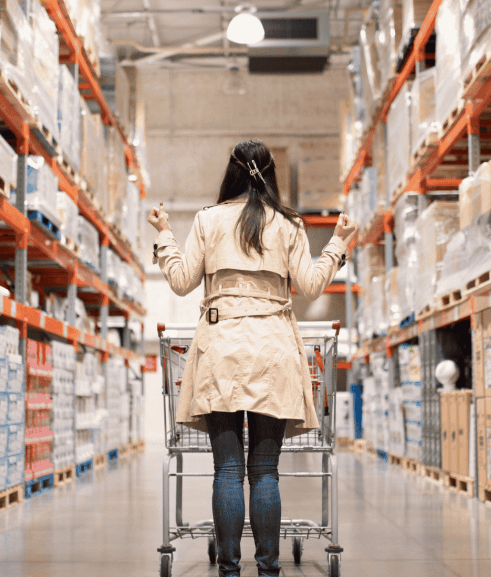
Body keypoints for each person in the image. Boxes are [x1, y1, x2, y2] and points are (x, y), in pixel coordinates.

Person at [148, 139, 358, 577]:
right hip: (273, 348)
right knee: (265, 471)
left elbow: (182, 282)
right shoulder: (289, 223)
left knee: (226, 470)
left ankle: (228, 571)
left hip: (220, 347)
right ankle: (268, 570)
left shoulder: (208, 220)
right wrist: (337, 243)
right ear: (270, 173)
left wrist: (164, 233)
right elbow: (311, 286)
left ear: (232, 172)